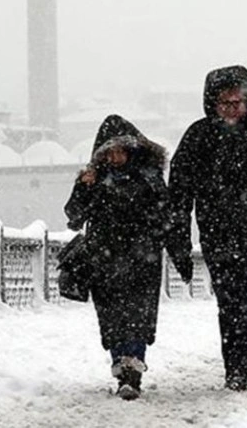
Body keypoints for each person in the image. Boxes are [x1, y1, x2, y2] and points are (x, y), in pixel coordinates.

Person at [168, 65, 247, 396]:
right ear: (212, 103)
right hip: (218, 235)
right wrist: (179, 242)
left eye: (237, 102)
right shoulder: (198, 137)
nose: (232, 109)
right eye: (225, 103)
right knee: (230, 302)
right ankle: (236, 368)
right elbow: (179, 195)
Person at [65, 115, 169, 400]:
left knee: (137, 316)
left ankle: (131, 372)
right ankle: (121, 367)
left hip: (141, 260)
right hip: (105, 260)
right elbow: (74, 217)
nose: (116, 157)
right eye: (109, 152)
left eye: (121, 150)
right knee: (112, 318)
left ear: (133, 149)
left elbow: (165, 217)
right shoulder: (95, 179)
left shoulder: (149, 178)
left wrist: (152, 240)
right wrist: (83, 187)